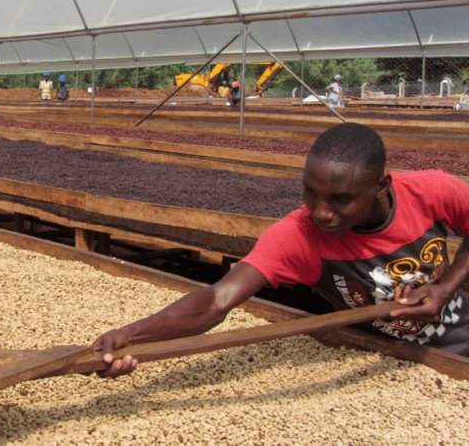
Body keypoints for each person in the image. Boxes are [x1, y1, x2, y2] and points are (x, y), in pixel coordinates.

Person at [93, 122, 469, 377]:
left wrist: (445, 287)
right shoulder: (298, 236)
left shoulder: (432, 190)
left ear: (381, 186)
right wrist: (130, 336)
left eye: (341, 199)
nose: (322, 212)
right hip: (392, 359)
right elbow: (215, 301)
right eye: (310, 192)